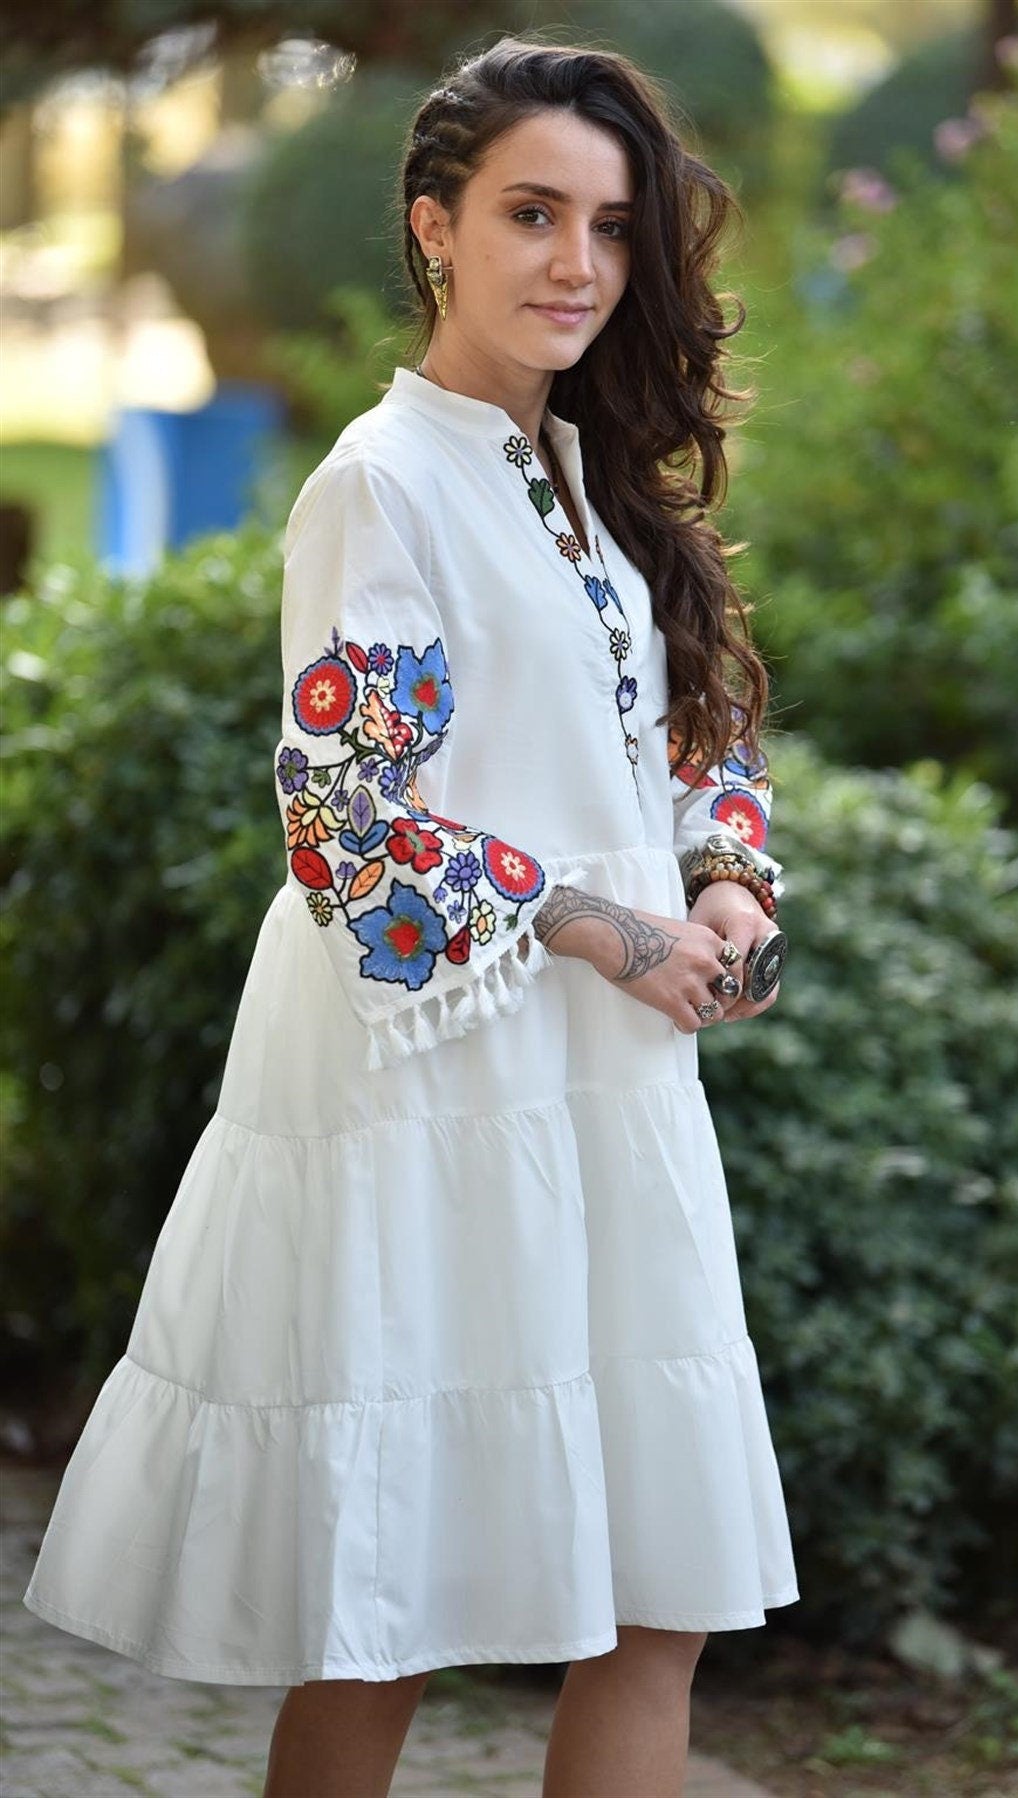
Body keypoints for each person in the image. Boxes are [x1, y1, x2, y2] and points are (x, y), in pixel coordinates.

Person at [22, 35, 799, 1798]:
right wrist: (607, 924)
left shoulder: (599, 494)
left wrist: (726, 875)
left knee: (658, 1599)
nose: (577, 264)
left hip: (605, 1087)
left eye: (610, 226)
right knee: (399, 1601)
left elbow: (697, 736)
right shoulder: (383, 481)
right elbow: (350, 834)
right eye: (533, 214)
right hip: (432, 1092)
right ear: (435, 226)